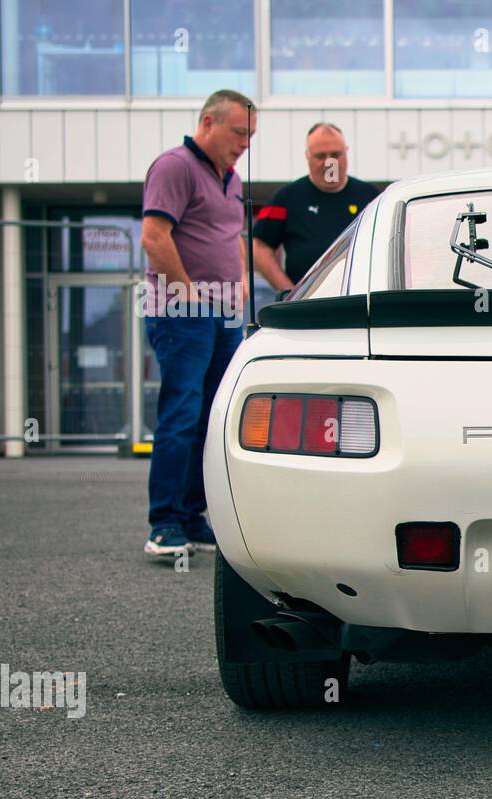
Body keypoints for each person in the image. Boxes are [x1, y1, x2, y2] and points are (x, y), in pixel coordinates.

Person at [140, 89, 256, 558]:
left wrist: (242, 276)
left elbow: (232, 235)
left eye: (251, 135)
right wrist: (187, 292)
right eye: (239, 132)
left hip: (223, 314)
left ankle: (191, 516)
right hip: (183, 313)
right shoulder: (174, 167)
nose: (245, 142)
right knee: (181, 415)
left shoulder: (231, 178)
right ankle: (163, 524)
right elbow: (154, 235)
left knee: (211, 419)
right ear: (208, 122)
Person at [251, 122, 379, 292]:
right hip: (305, 309)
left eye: (335, 154)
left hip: (360, 303)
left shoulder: (371, 197)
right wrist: (289, 293)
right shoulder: (286, 197)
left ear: (346, 153)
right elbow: (260, 247)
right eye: (321, 156)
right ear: (307, 156)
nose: (329, 163)